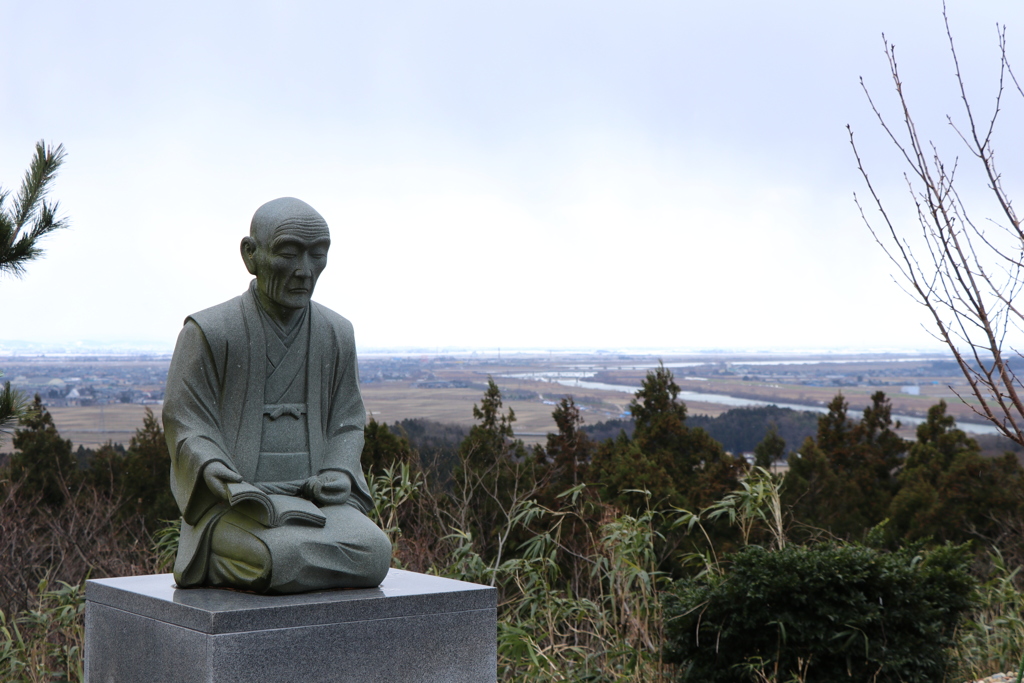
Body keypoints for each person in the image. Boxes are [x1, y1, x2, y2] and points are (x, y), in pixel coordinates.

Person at [162, 197, 391, 594]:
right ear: (251, 255)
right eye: (289, 253)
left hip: (318, 502)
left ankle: (260, 561)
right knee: (283, 555)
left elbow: (348, 421)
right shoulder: (210, 331)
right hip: (241, 505)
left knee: (374, 553)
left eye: (317, 255)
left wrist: (337, 471)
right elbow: (185, 421)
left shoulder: (335, 333)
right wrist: (215, 469)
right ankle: (219, 552)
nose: (305, 271)